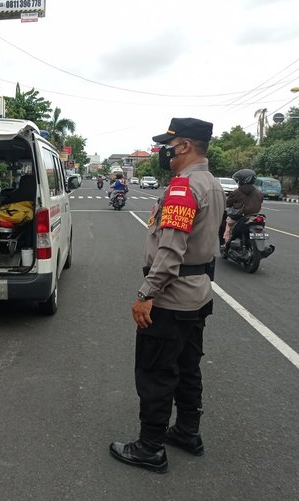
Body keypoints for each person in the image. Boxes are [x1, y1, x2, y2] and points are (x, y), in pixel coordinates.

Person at [109, 118, 225, 473]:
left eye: (168, 146)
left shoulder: (183, 187)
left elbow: (171, 251)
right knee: (188, 367)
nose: (164, 153)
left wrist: (146, 293)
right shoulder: (214, 184)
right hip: (198, 295)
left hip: (171, 299)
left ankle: (150, 447)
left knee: (156, 372)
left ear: (185, 146)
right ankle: (188, 432)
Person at [222, 169, 263, 246]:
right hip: (254, 216)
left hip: (239, 217)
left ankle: (226, 244)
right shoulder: (259, 192)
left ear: (242, 180)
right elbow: (260, 202)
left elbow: (228, 203)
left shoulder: (237, 192)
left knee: (229, 225)